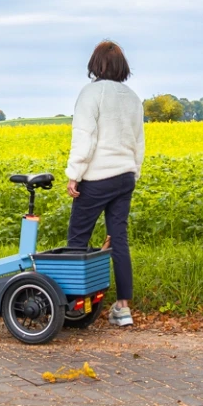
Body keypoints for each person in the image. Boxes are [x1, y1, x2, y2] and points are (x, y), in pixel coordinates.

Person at [65, 40, 145, 327]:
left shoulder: (91, 94)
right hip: (124, 176)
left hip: (97, 177)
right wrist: (132, 174)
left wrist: (74, 173)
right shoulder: (133, 98)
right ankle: (123, 309)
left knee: (77, 239)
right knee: (119, 240)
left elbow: (85, 137)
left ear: (95, 65)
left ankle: (75, 305)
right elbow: (139, 143)